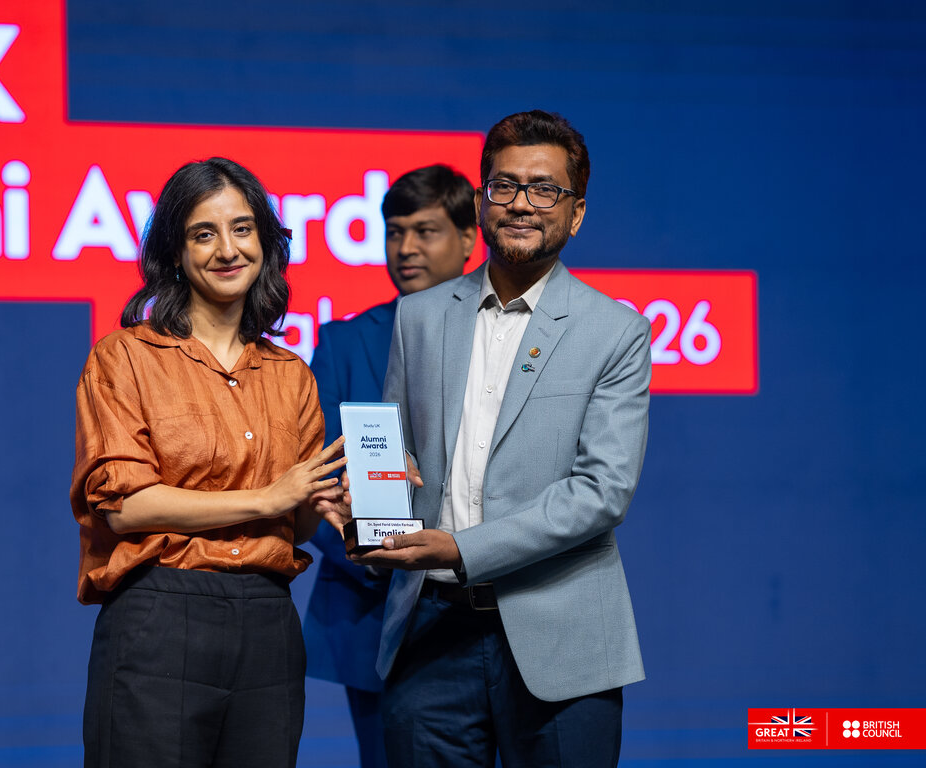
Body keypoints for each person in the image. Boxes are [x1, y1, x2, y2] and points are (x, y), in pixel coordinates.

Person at [338, 110, 652, 767]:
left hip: (561, 638)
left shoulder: (614, 331)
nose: (520, 204)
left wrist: (461, 548)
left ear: (577, 213)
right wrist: (369, 502)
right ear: (482, 201)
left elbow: (601, 493)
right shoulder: (418, 318)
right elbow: (397, 459)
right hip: (429, 632)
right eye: (503, 186)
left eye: (545, 189)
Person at [70, 157, 348, 768]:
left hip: (269, 624)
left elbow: (295, 528)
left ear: (265, 244)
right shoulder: (126, 358)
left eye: (243, 229)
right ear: (174, 251)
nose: (228, 249)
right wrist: (267, 498)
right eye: (205, 233)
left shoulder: (291, 375)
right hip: (160, 615)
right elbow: (126, 507)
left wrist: (331, 499)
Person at [302, 165, 477, 768]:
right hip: (375, 608)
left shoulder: (509, 337)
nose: (405, 248)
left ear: (468, 239)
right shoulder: (346, 344)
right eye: (394, 232)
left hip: (489, 607)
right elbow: (314, 478)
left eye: (425, 231)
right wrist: (369, 553)